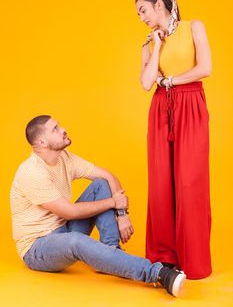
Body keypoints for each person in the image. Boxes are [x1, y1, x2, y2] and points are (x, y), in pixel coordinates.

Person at [10, 115, 186, 297]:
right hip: (38, 248)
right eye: (55, 129)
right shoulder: (32, 173)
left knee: (101, 184)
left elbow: (109, 177)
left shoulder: (64, 157)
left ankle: (111, 254)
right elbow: (69, 212)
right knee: (76, 242)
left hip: (62, 228)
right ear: (42, 142)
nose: (63, 129)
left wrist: (122, 214)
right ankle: (157, 273)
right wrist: (112, 202)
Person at [135, 0, 212, 279]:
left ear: (158, 5)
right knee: (161, 182)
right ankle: (164, 260)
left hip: (191, 104)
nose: (141, 18)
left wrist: (171, 80)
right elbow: (145, 83)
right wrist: (155, 47)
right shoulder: (147, 44)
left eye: (143, 10)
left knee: (190, 182)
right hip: (160, 110)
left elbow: (205, 68)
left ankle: (193, 260)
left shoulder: (195, 27)